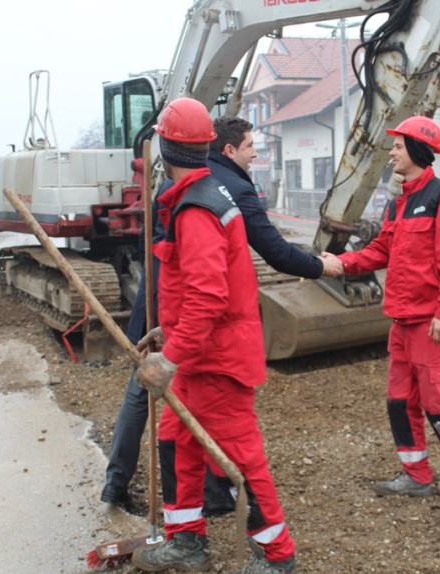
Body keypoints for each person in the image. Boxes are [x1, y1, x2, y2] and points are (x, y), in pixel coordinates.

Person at [101, 115, 330, 514]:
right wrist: (168, 332)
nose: (255, 152)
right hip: (186, 330)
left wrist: (170, 342)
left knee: (173, 414)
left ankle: (266, 546)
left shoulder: (189, 196)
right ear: (222, 148)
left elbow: (199, 286)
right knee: (182, 430)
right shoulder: (207, 194)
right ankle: (198, 522)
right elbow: (207, 280)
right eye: (249, 145)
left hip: (192, 335)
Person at [130, 97, 297, 573]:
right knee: (174, 437)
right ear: (207, 148)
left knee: (242, 458)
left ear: (164, 149)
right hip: (203, 353)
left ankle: (276, 554)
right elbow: (199, 291)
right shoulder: (203, 196)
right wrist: (169, 330)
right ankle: (187, 540)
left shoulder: (196, 209)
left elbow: (209, 298)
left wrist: (170, 356)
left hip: (217, 358)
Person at [320, 115, 440, 498]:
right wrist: (339, 262)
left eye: (398, 146)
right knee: (399, 399)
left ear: (415, 149)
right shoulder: (398, 204)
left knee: (437, 399)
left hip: (434, 321)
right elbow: (381, 250)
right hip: (404, 319)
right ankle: (416, 475)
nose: (391, 152)